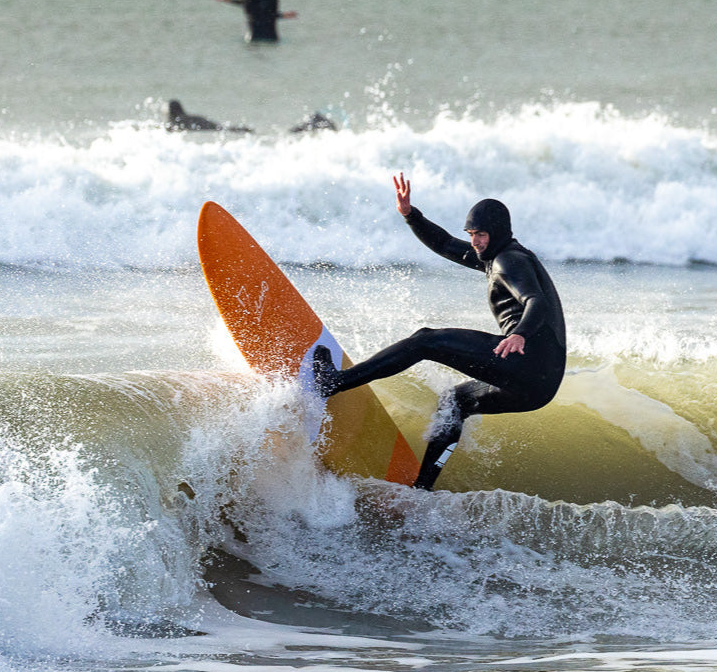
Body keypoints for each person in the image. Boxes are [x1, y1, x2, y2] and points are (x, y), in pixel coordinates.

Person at [313, 173, 567, 490]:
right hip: (540, 386)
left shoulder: (508, 261)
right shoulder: (496, 255)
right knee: (455, 401)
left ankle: (334, 382)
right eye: (472, 234)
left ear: (498, 232)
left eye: (482, 234)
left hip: (524, 361)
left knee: (425, 340)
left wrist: (520, 334)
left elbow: (535, 301)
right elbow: (446, 244)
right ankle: (423, 487)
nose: (475, 241)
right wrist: (410, 215)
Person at [215, 0, 298, 42]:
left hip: (254, 37)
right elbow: (271, 14)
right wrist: (283, 15)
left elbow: (241, 2)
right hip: (271, 37)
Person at [164, 99, 252, 134]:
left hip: (201, 126)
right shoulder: (189, 117)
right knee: (223, 128)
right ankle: (241, 129)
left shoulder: (176, 121)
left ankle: (240, 129)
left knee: (222, 129)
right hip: (203, 122)